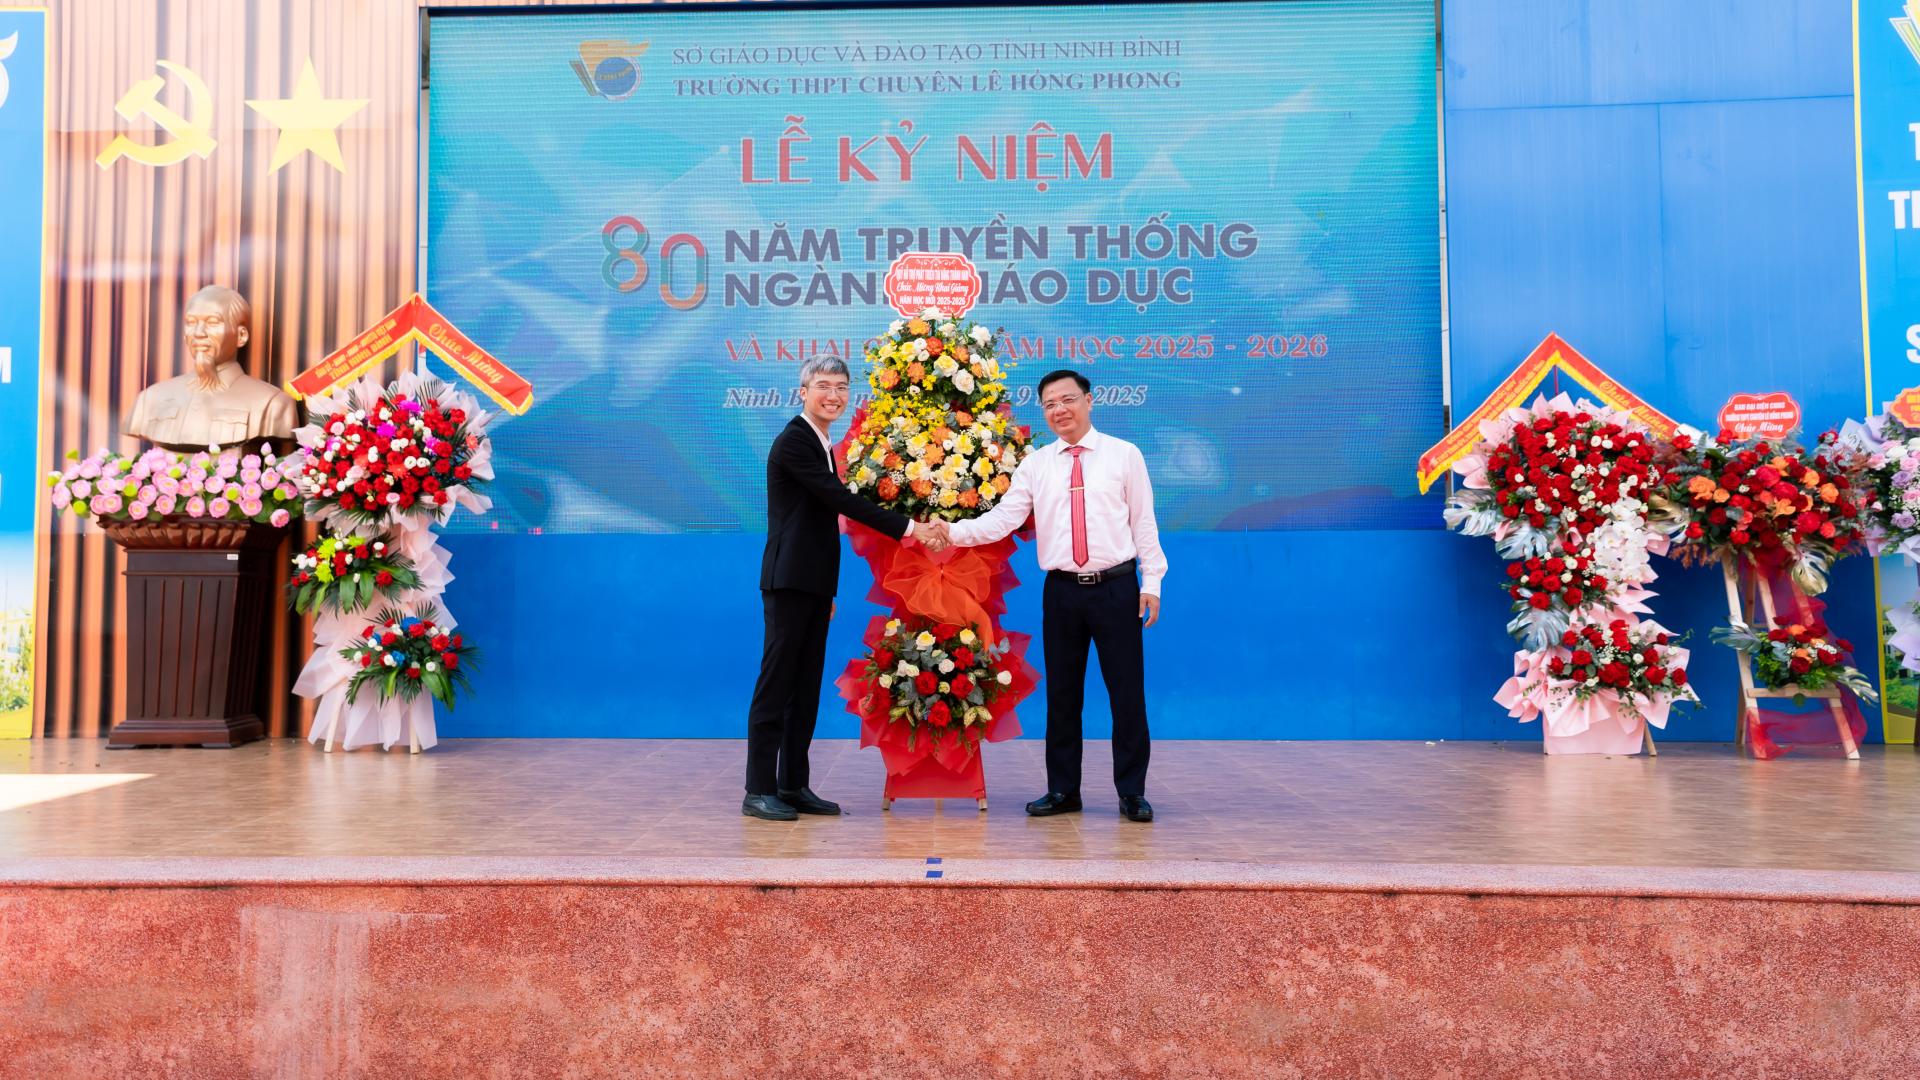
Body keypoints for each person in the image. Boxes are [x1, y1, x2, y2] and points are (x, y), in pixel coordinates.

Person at [918, 370, 1165, 822]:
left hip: (1117, 588)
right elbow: (1002, 520)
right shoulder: (1036, 465)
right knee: (1063, 695)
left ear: (1089, 401)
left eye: (1067, 399)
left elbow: (1143, 522)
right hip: (1063, 592)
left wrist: (1152, 583)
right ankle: (1063, 790)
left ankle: (1132, 793)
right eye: (1050, 404)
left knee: (1127, 693)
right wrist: (951, 531)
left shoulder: (1124, 455)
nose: (1059, 410)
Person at [743, 357, 924, 821]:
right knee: (776, 686)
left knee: (804, 689)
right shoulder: (795, 440)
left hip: (812, 584)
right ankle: (758, 789)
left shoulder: (821, 442)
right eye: (823, 386)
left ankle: (793, 784)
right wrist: (910, 527)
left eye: (841, 387)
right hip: (788, 581)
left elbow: (819, 523)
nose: (834, 395)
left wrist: (826, 592)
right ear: (803, 391)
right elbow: (839, 500)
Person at [123, 285, 299, 451]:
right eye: (191, 322)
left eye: (213, 322)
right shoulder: (149, 399)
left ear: (241, 336)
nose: (199, 333)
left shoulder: (273, 404)